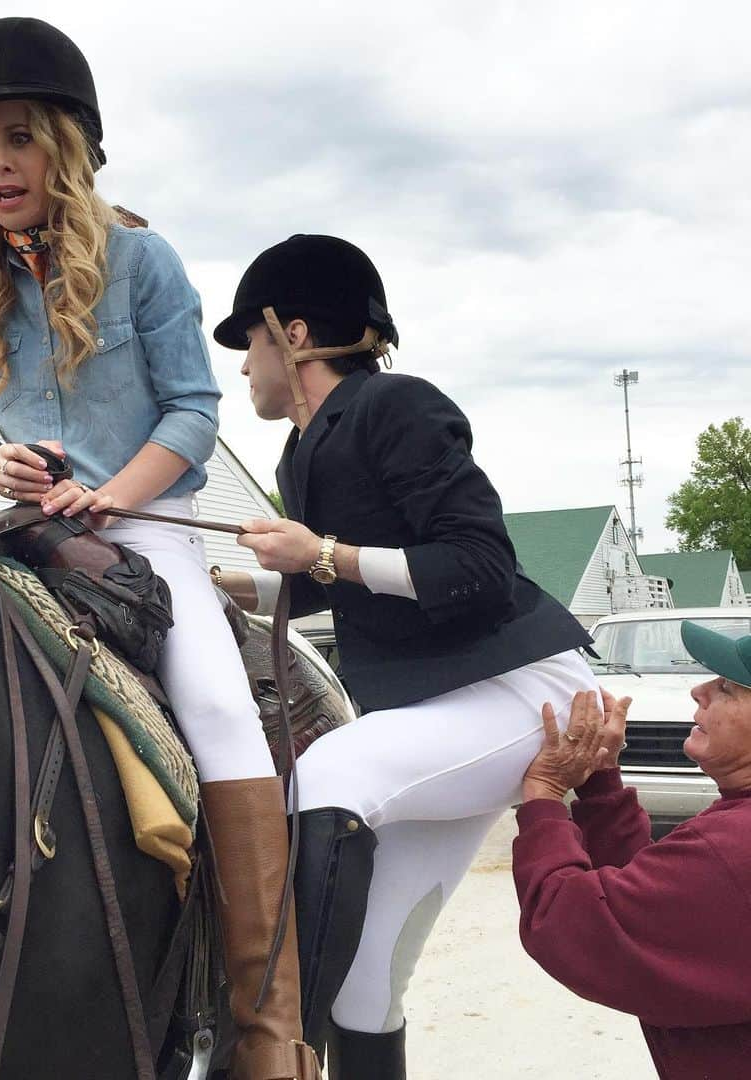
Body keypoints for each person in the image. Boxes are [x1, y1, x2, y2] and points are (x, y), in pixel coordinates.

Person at [0, 19, 319, 1079]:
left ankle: (269, 1038)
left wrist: (114, 495)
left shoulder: (144, 262)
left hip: (142, 527)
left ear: (65, 143)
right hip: (11, 531)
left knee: (224, 717)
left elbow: (194, 413)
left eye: (18, 136)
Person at [211, 234, 599, 1078]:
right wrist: (224, 584)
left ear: (297, 333)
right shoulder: (301, 449)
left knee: (324, 777)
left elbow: (481, 567)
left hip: (520, 689)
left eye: (251, 343)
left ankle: (260, 1056)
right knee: (364, 983)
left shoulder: (397, 405)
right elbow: (322, 588)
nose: (244, 369)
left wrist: (322, 553)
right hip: (447, 711)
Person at [515, 622, 751, 1079]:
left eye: (727, 687)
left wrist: (544, 798)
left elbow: (570, 924)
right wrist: (601, 783)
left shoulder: (732, 848)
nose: (699, 690)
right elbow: (660, 903)